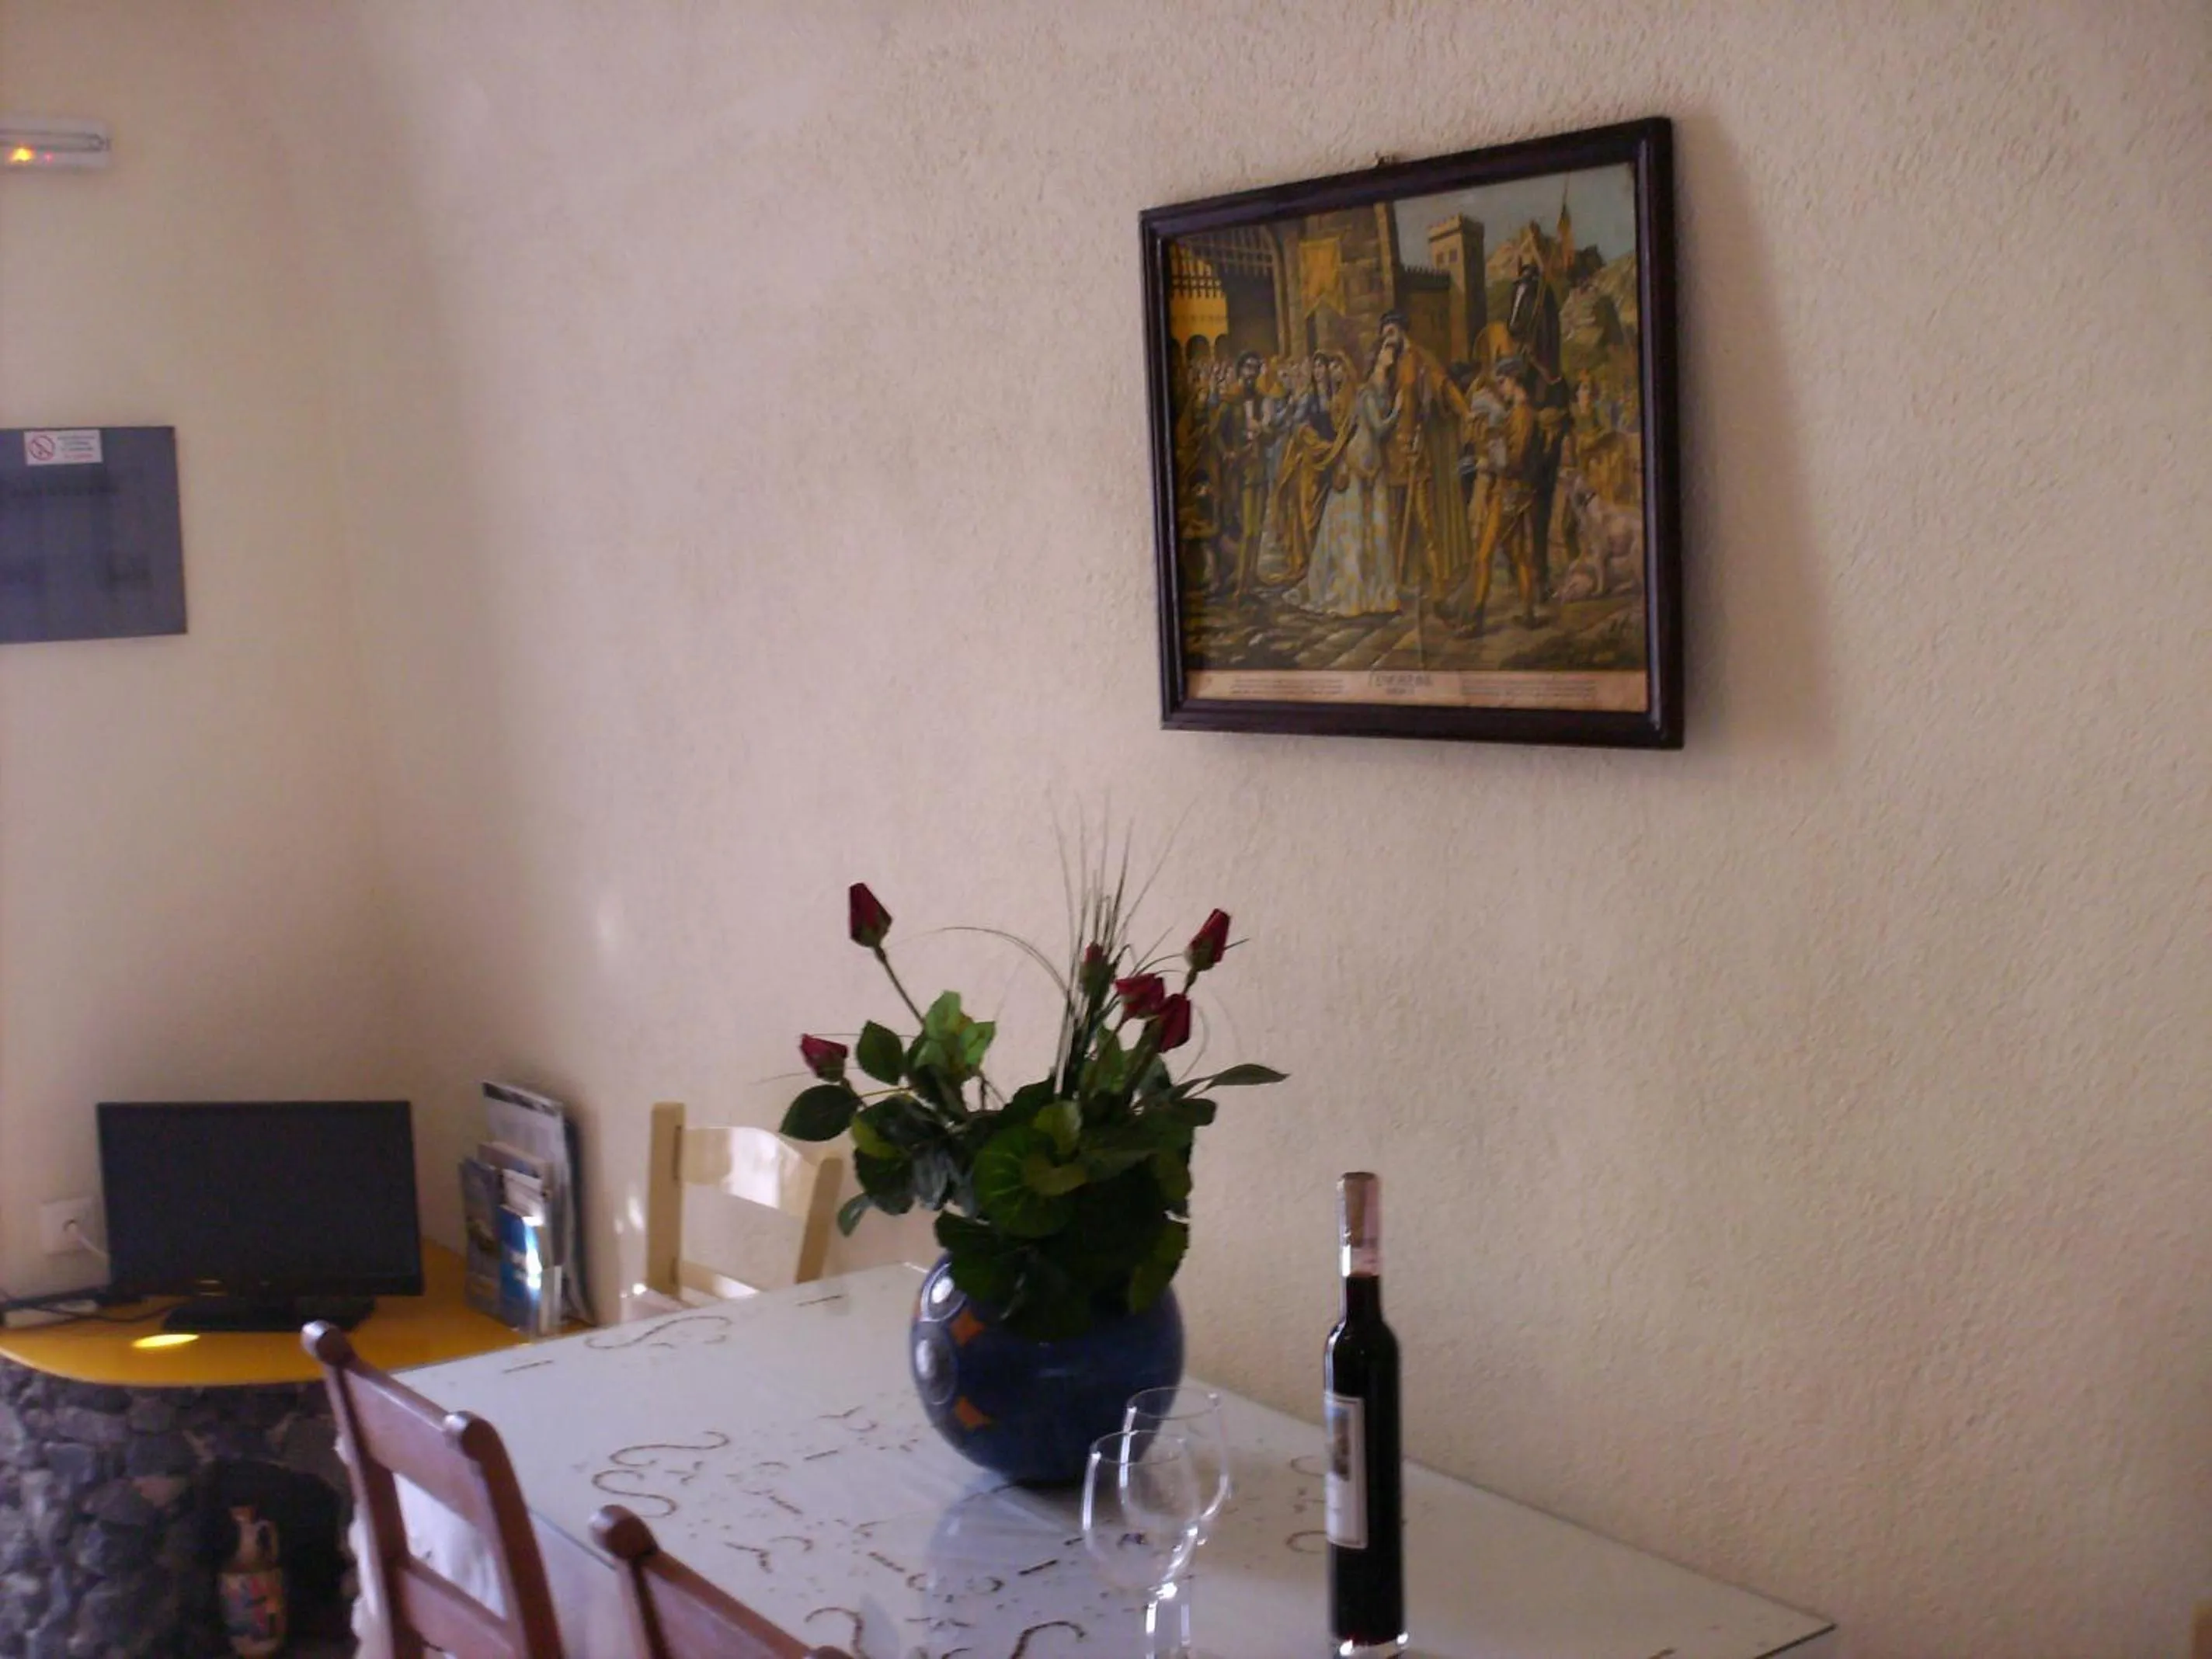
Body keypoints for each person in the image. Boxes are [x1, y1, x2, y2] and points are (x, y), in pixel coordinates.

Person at [1213, 351, 1281, 598]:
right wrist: (1227, 453)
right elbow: (1216, 432)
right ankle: (1240, 583)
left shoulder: (1263, 400)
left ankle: (1250, 579)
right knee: (1246, 529)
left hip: (1259, 468)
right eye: (1248, 367)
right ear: (1240, 370)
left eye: (1255, 368)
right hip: (1239, 471)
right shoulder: (1230, 400)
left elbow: (1272, 436)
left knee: (1257, 528)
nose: (1251, 373)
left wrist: (1263, 430)